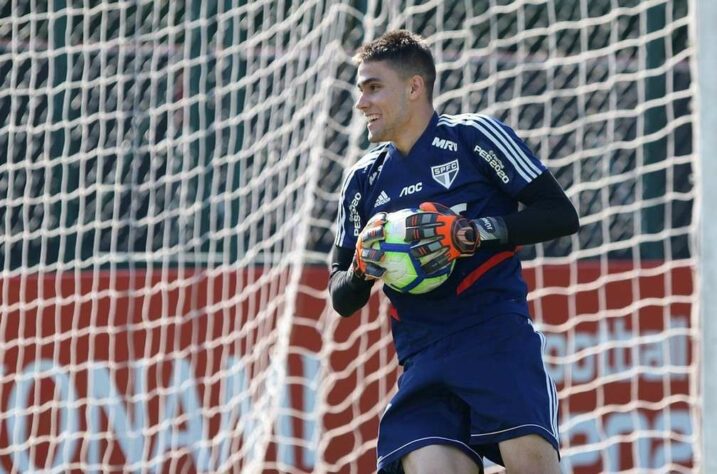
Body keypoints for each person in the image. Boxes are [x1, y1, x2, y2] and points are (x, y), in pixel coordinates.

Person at [329, 30, 579, 474]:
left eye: (372, 87)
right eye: (360, 89)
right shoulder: (362, 182)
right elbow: (341, 295)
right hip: (422, 360)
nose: (361, 102)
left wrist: (470, 232)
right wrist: (361, 270)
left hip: (494, 340)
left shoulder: (474, 138)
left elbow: (560, 214)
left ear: (414, 87)